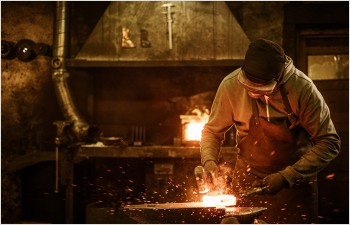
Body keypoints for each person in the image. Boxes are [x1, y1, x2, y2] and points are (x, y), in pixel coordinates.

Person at [200, 38, 341, 224]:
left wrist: (287, 176)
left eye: (260, 89)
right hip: (247, 181)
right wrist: (209, 161)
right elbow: (212, 132)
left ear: (278, 78)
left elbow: (330, 143)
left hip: (294, 186)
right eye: (248, 87)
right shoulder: (230, 85)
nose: (252, 93)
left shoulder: (303, 89)